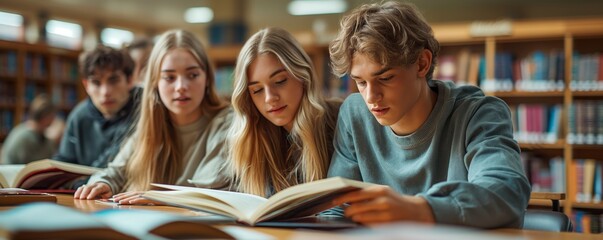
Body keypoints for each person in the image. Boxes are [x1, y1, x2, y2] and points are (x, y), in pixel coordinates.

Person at [326, 1, 530, 228]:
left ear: (422, 64)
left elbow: (506, 191)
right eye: (361, 82)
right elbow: (335, 209)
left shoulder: (478, 114)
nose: (371, 97)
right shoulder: (354, 114)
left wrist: (419, 209)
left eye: (385, 78)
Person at [74, 29, 232, 204]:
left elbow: (208, 190)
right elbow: (115, 172)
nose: (181, 86)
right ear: (155, 83)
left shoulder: (227, 122)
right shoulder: (151, 124)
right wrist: (103, 183)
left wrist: (159, 197)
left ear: (208, 79)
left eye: (192, 75)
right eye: (169, 77)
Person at [228, 27, 340, 197]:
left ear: (303, 75)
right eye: (257, 90)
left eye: (279, 81)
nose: (269, 98)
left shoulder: (344, 121)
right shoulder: (254, 141)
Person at [54, 45, 141, 168]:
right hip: (82, 186)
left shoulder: (144, 108)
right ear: (86, 85)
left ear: (130, 80)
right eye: (96, 82)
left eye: (113, 80)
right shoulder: (79, 115)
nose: (105, 92)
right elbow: (64, 161)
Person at [1, 94, 57, 164]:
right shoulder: (24, 137)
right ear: (46, 117)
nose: (54, 119)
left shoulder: (43, 137)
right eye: (52, 116)